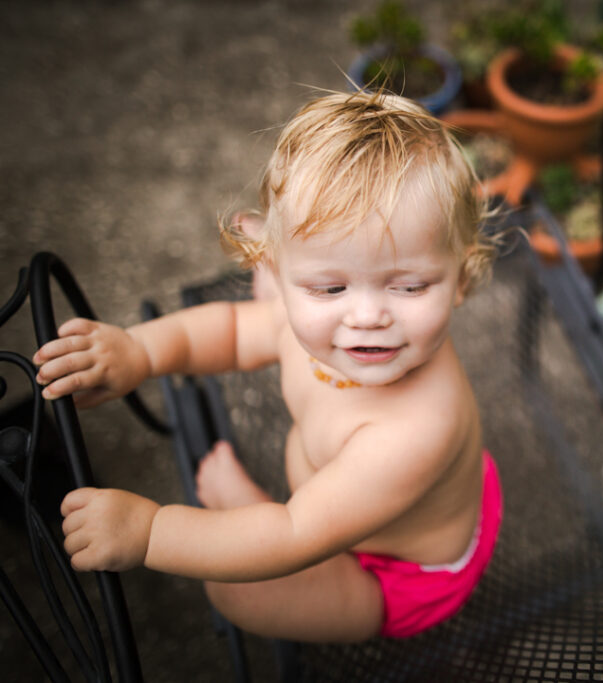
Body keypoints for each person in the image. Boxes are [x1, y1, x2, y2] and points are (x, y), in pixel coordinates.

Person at [32, 90, 502, 642]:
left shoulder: (416, 431)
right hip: (354, 498)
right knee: (267, 318)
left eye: (410, 286)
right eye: (330, 285)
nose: (369, 316)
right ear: (282, 276)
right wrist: (138, 352)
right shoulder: (310, 314)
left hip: (396, 575)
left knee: (237, 586)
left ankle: (244, 506)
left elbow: (292, 533)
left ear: (463, 281)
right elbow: (230, 334)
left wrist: (150, 531)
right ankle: (286, 252)